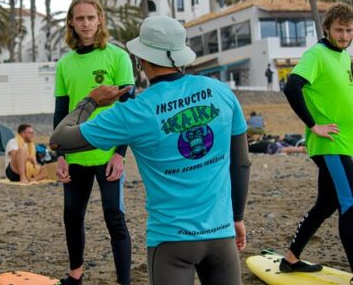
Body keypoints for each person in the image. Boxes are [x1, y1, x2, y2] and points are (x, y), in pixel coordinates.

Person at [50, 15, 251, 285]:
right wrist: (237, 217)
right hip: (221, 237)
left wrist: (90, 101)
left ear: (141, 60)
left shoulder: (135, 111)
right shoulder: (221, 91)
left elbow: (59, 139)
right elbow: (241, 164)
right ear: (180, 56)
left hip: (172, 242)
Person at [54, 0, 135, 285]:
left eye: (91, 17)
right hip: (76, 153)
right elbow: (61, 113)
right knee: (72, 216)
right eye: (80, 18)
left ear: (100, 19)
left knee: (114, 216)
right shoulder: (64, 64)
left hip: (108, 152)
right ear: (72, 23)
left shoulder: (118, 56)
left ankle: (124, 281)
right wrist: (60, 155)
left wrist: (120, 154)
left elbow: (129, 109)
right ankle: (75, 275)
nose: (86, 23)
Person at [281, 3, 353, 273]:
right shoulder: (317, 54)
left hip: (346, 142)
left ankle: (290, 258)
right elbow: (292, 86)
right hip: (331, 144)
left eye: (348, 30)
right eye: (339, 30)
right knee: (351, 205)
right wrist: (314, 125)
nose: (344, 35)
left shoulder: (344, 57)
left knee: (326, 204)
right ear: (326, 29)